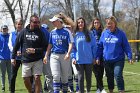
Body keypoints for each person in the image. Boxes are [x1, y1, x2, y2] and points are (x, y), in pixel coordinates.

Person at [96, 16, 133, 93]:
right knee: (109, 77)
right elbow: (100, 47)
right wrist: (98, 57)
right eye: (108, 24)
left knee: (118, 75)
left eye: (111, 23)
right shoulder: (104, 33)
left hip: (118, 59)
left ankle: (121, 91)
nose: (109, 25)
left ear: (115, 24)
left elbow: (126, 46)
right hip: (107, 60)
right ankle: (111, 91)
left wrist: (129, 57)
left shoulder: (121, 33)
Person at [11, 14, 47, 93]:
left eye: (38, 22)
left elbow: (44, 47)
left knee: (37, 78)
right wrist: (13, 57)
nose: (37, 23)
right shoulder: (23, 32)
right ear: (30, 22)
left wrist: (35, 50)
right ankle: (31, 91)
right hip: (26, 60)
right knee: (25, 79)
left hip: (37, 59)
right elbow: (16, 44)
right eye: (35, 22)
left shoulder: (40, 33)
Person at [43, 15, 73, 93]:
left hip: (64, 56)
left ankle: (65, 91)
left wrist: (68, 53)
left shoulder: (67, 31)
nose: (52, 22)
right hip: (54, 55)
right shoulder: (52, 32)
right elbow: (50, 45)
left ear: (59, 21)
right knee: (56, 76)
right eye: (52, 21)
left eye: (54, 21)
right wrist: (46, 56)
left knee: (64, 78)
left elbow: (70, 43)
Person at [71, 17, 97, 93]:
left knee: (88, 78)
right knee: (80, 78)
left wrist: (94, 57)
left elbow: (94, 46)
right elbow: (73, 48)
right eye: (79, 22)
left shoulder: (89, 33)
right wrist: (73, 58)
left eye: (82, 22)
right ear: (77, 24)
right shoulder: (75, 34)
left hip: (89, 60)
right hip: (79, 60)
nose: (80, 24)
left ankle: (88, 91)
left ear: (84, 23)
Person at [89, 17, 107, 93]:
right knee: (96, 73)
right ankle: (101, 88)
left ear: (100, 24)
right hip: (93, 55)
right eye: (95, 22)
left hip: (102, 55)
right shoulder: (90, 32)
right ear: (93, 24)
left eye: (98, 22)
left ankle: (98, 89)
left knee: (101, 73)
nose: (96, 24)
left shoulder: (103, 32)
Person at [8, 18, 23, 93]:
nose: (19, 25)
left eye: (20, 24)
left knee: (27, 76)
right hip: (15, 58)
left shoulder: (24, 33)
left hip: (24, 58)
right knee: (13, 75)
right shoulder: (12, 34)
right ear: (15, 25)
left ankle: (31, 90)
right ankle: (12, 91)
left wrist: (22, 51)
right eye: (18, 24)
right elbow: (10, 45)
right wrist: (16, 51)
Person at [41, 24, 53, 93]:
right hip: (38, 56)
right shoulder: (43, 31)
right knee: (37, 75)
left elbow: (50, 44)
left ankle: (50, 90)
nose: (47, 29)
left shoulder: (47, 33)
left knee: (48, 74)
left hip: (46, 56)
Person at [0, 25, 11, 92]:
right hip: (1, 58)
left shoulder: (10, 36)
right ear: (1, 29)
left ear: (7, 29)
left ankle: (10, 86)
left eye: (5, 29)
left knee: (10, 73)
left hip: (9, 58)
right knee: (2, 73)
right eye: (3, 29)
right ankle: (3, 86)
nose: (4, 30)